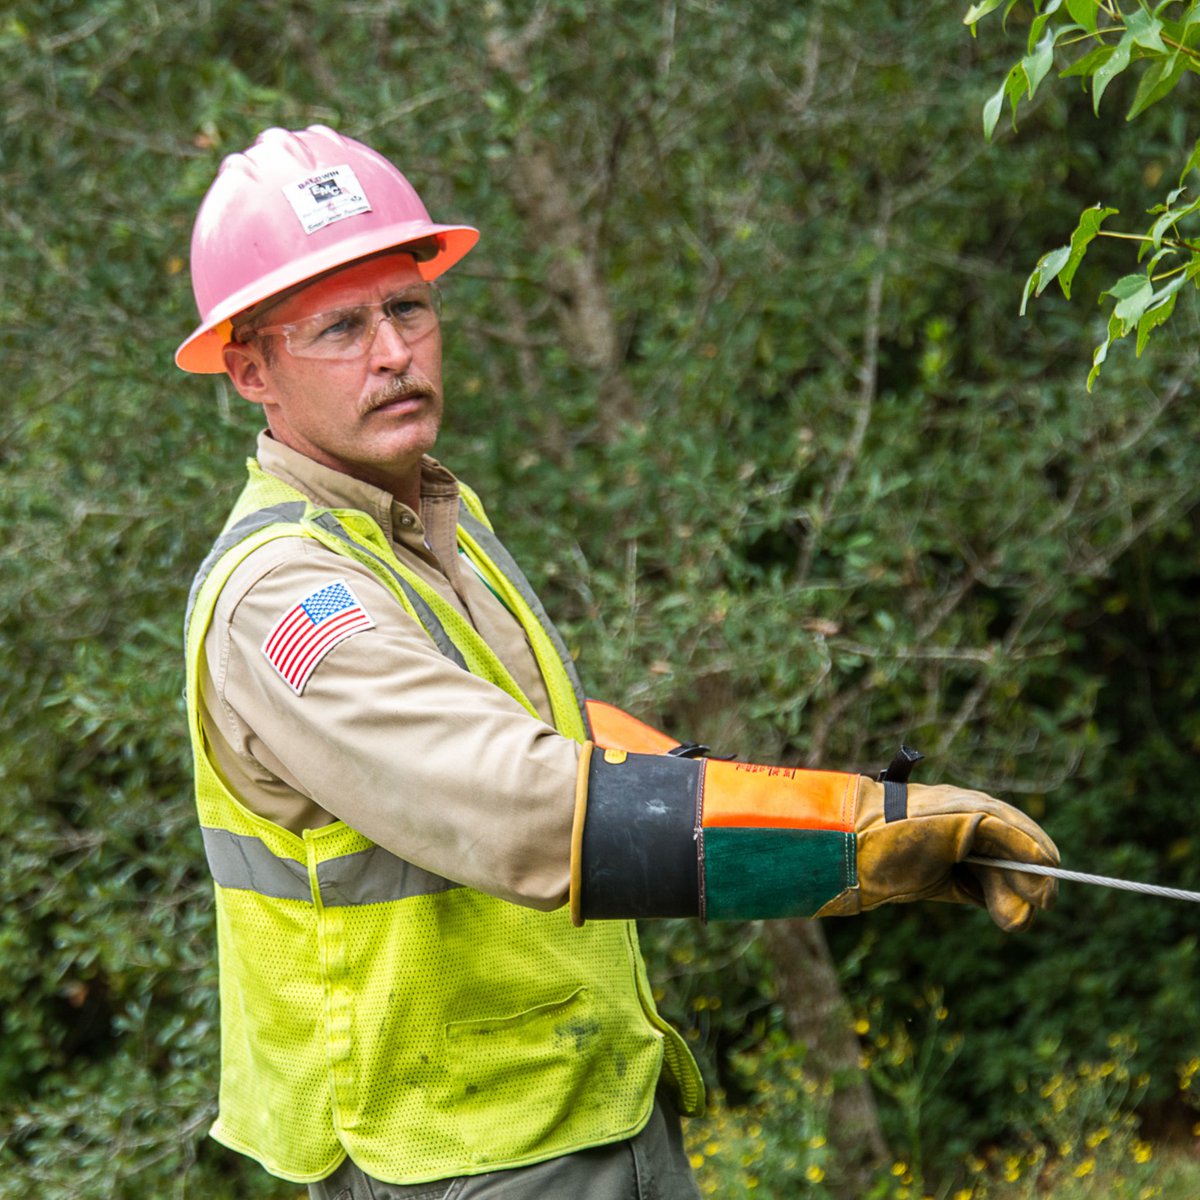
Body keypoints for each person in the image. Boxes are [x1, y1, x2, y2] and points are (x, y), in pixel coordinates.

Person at [177, 125, 1059, 1200]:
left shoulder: (434, 517)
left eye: (409, 306)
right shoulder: (283, 595)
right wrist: (849, 841)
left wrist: (832, 806)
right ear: (249, 369)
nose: (394, 351)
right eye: (340, 327)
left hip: (595, 1104)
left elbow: (558, 733)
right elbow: (517, 801)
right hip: (457, 1154)